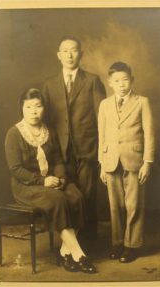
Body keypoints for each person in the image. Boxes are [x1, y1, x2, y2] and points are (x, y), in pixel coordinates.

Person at [5, 88, 97, 273]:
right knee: (58, 199)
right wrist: (42, 181)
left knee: (76, 196)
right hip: (27, 186)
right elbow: (15, 169)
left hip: (51, 182)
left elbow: (57, 161)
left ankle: (64, 251)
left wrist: (61, 179)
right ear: (22, 109)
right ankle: (79, 254)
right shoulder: (14, 134)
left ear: (44, 108)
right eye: (29, 107)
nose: (33, 111)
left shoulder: (49, 131)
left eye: (38, 106)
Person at [42, 36, 106, 251]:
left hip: (87, 148)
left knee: (87, 196)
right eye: (65, 51)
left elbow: (102, 117)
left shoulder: (92, 80)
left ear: (81, 54)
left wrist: (102, 151)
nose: (70, 55)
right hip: (60, 152)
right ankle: (69, 246)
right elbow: (46, 121)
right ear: (58, 55)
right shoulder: (49, 85)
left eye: (74, 50)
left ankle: (88, 245)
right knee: (67, 196)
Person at [98, 62, 155, 263]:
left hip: (134, 160)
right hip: (111, 160)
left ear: (132, 80)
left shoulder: (142, 102)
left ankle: (132, 245)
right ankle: (117, 243)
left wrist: (147, 162)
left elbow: (149, 134)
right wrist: (102, 164)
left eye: (125, 80)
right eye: (116, 81)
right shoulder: (105, 105)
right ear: (110, 83)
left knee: (134, 205)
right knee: (115, 206)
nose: (121, 84)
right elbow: (101, 135)